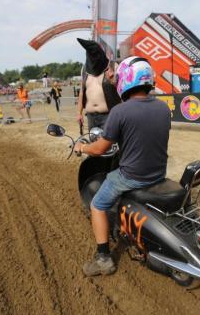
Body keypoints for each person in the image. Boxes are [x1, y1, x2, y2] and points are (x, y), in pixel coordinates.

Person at [73, 56, 171, 277]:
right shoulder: (163, 108)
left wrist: (82, 148)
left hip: (132, 176)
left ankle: (103, 259)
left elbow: (99, 149)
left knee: (98, 205)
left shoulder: (120, 111)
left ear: (126, 80)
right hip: (158, 173)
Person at [76, 38, 121, 130]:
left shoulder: (113, 66)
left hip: (108, 116)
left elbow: (122, 90)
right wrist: (79, 113)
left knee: (108, 144)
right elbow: (81, 92)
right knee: (93, 143)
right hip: (91, 117)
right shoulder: (85, 70)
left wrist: (113, 81)